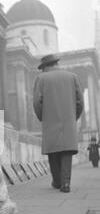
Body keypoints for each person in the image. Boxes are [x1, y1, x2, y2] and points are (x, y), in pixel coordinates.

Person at [33, 54, 84, 193]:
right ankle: (66, 183)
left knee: (53, 151)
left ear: (46, 67)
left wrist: (42, 117)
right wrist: (74, 116)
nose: (42, 71)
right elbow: (80, 101)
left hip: (50, 120)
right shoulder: (72, 77)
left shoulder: (41, 79)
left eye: (43, 68)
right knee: (67, 151)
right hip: (68, 121)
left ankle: (57, 181)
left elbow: (37, 102)